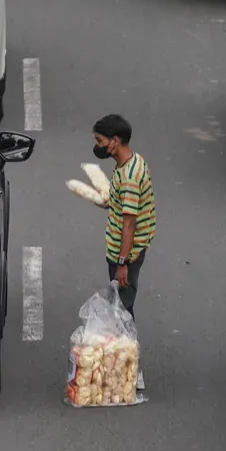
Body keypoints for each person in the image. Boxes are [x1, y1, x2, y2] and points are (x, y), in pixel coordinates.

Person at [92, 114, 156, 390]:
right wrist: (112, 201)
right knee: (121, 308)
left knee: (123, 311)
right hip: (128, 251)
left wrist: (122, 263)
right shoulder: (133, 163)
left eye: (100, 141)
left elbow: (129, 224)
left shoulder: (129, 176)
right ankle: (124, 366)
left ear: (115, 142)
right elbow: (127, 207)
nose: (98, 145)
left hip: (125, 253)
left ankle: (132, 372)